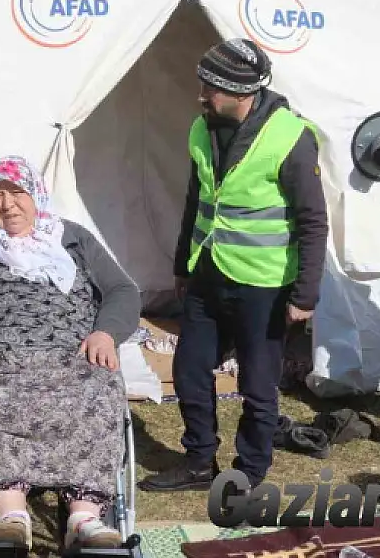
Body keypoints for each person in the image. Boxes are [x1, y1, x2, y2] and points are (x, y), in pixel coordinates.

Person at [0, 155, 141, 551]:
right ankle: (11, 515)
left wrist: (106, 332)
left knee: (100, 389)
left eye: (17, 192)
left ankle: (84, 518)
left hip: (72, 356)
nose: (8, 204)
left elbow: (123, 290)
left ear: (37, 195)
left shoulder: (72, 237)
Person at [139, 38, 329, 492]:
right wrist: (185, 264)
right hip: (209, 273)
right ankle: (199, 461)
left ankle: (248, 472)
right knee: (189, 368)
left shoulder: (290, 138)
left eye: (211, 89)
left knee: (258, 383)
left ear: (241, 92)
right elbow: (196, 199)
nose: (202, 96)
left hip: (263, 285)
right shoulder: (201, 129)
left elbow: (313, 220)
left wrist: (305, 294)